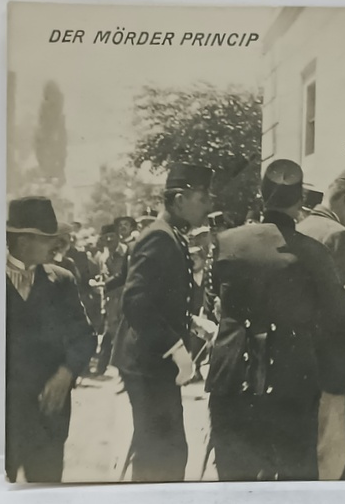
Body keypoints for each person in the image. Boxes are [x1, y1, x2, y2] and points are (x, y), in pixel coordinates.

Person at [205, 159, 345, 481]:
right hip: (290, 379)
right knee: (292, 478)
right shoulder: (313, 252)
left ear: (262, 198)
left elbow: (213, 302)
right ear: (301, 201)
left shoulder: (226, 242)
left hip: (232, 375)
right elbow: (343, 316)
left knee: (234, 480)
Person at [112, 163, 214, 482]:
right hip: (148, 361)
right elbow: (136, 301)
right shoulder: (158, 236)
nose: (208, 205)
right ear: (180, 199)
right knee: (162, 455)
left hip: (154, 358)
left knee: (165, 450)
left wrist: (194, 323)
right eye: (202, 198)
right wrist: (176, 348)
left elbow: (161, 299)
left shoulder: (172, 235)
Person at [5, 197, 96, 482]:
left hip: (48, 420)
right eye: (47, 240)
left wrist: (66, 373)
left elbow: (85, 337)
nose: (55, 247)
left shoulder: (63, 281)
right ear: (23, 241)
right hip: (1, 422)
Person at [296, 167, 345, 480]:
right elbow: (335, 304)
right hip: (329, 358)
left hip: (297, 357)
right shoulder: (338, 235)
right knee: (330, 448)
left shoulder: (300, 227)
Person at [94, 224, 128, 376]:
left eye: (111, 236)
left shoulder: (127, 253)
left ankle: (124, 372)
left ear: (118, 236)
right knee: (110, 334)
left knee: (125, 336)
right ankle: (102, 368)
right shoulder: (103, 257)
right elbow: (104, 277)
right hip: (110, 302)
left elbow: (124, 276)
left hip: (125, 300)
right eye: (105, 237)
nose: (109, 240)